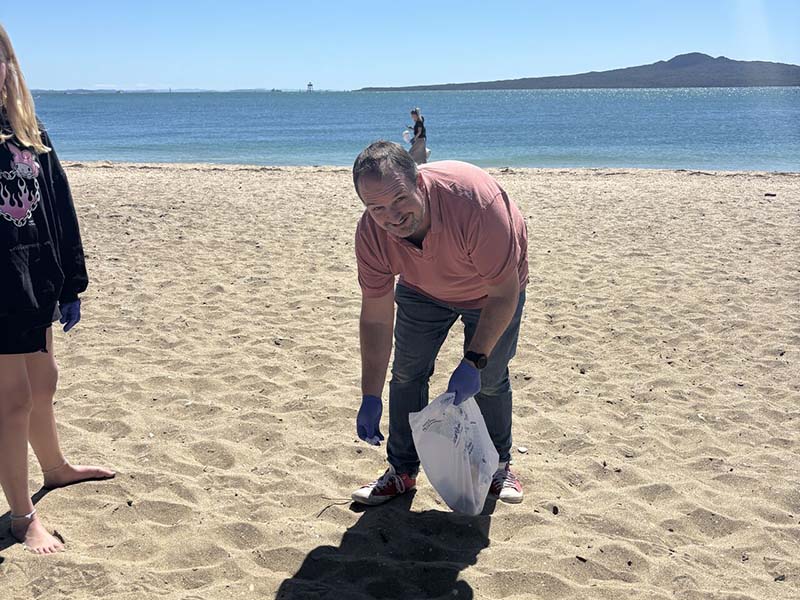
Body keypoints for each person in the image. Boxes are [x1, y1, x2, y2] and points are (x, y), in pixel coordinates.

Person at [350, 140, 528, 506]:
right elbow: (376, 318)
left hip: (491, 290)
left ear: (419, 181)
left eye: (400, 199)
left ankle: (498, 465)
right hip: (422, 286)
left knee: (490, 378)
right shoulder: (371, 234)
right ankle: (401, 471)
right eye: (377, 207)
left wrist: (474, 360)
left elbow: (504, 293)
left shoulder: (475, 205)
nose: (392, 216)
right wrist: (370, 394)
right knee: (406, 373)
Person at [0, 24, 114, 554]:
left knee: (44, 380)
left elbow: (60, 209)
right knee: (13, 399)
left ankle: (56, 466)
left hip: (34, 284)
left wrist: (71, 282)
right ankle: (23, 517)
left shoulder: (30, 130)